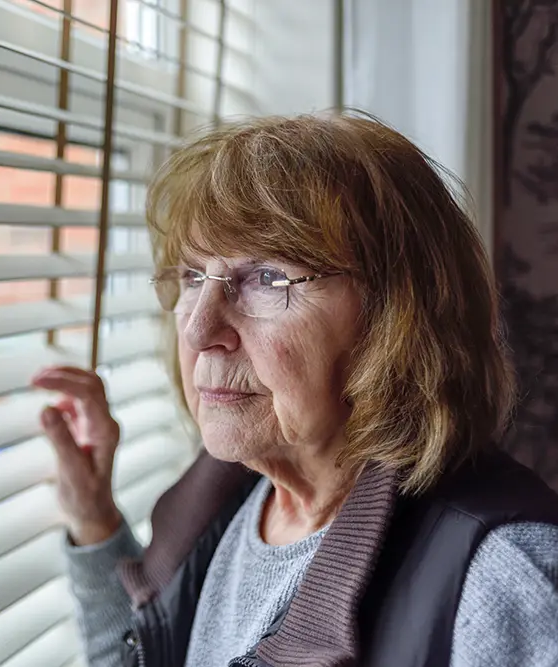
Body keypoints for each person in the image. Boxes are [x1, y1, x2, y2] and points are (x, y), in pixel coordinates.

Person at [31, 113, 558, 667]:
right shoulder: (224, 496)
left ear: (397, 318)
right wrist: (94, 523)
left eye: (267, 278)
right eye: (192, 277)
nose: (198, 330)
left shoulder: (504, 581)